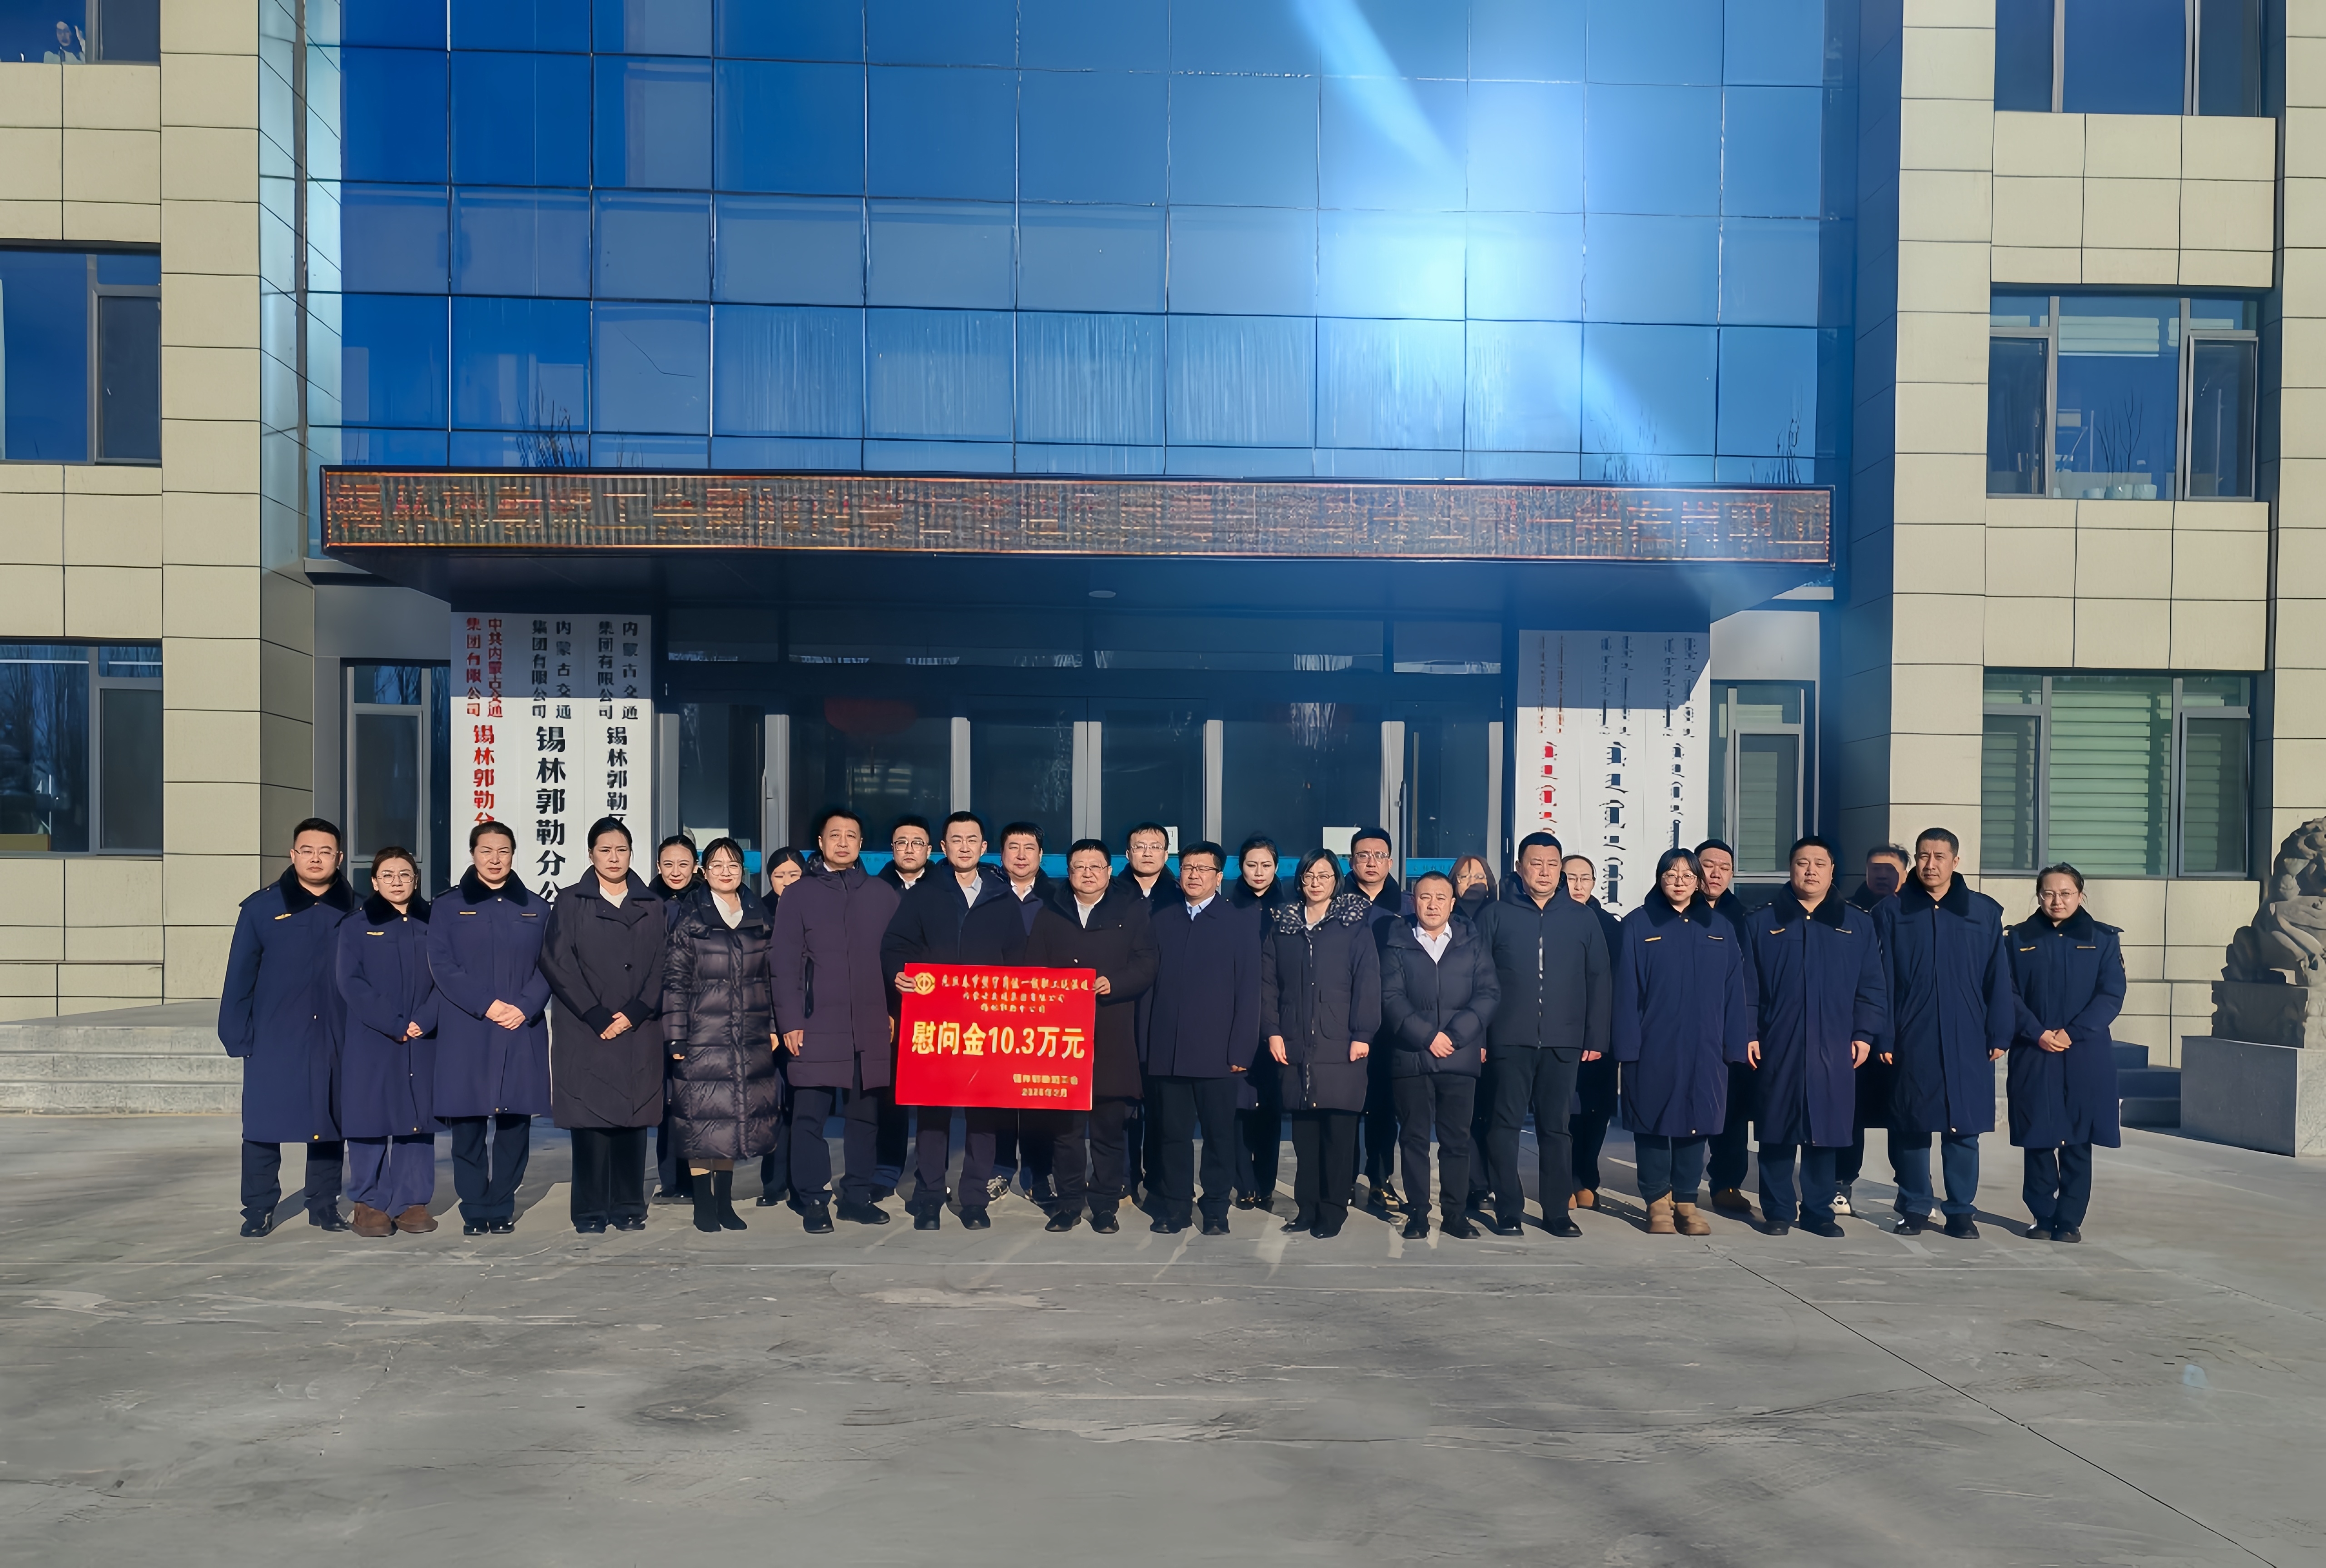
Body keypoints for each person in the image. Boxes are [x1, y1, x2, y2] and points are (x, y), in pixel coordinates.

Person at [881, 810, 1027, 1230]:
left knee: (984, 1113)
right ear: (943, 848)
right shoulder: (924, 894)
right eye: (956, 840)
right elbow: (895, 944)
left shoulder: (1003, 898)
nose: (965, 847)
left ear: (985, 847)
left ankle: (974, 1198)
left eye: (972, 840)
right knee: (933, 1112)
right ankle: (928, 1196)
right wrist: (899, 974)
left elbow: (1019, 959)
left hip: (986, 1023)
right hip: (936, 1020)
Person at [1873, 827, 2016, 1239]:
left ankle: (1961, 1211)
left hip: (1968, 1035)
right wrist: (1884, 1034)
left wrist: (1999, 1032)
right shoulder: (1892, 911)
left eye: (1939, 857)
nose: (1931, 864)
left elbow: (1998, 978)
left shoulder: (1982, 912)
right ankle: (1915, 1206)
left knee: (1963, 1128)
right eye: (1923, 856)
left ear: (1956, 861)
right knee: (1911, 1126)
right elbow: (1881, 980)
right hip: (1912, 1034)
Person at [219, 818, 358, 1235]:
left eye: (325, 852)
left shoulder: (358, 908)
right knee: (264, 1126)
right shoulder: (261, 909)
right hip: (275, 1036)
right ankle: (258, 1208)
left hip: (337, 1033)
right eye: (307, 851)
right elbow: (240, 976)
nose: (316, 859)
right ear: (293, 854)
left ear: (339, 858)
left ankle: (324, 1205)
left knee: (330, 1123)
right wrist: (237, 1035)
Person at [1746, 836, 1886, 1237]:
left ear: (1832, 870)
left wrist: (1864, 1033)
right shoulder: (1761, 922)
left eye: (1819, 864)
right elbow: (1747, 987)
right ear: (1791, 868)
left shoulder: (1857, 924)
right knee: (1776, 1127)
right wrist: (1749, 1033)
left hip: (1835, 1042)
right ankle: (1777, 1210)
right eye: (1802, 863)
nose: (1811, 871)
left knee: (1826, 1129)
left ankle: (1819, 1211)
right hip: (1779, 1041)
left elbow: (1871, 986)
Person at [1474, 832, 1612, 1237]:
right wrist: (1479, 1036)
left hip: (1563, 1039)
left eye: (1553, 865)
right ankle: (1508, 1209)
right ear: (1520, 868)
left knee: (1556, 1128)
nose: (1545, 872)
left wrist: (1595, 1037)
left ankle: (1556, 1212)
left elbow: (1599, 979)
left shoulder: (1582, 918)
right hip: (1508, 1037)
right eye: (1536, 864)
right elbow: (1476, 978)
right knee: (1504, 1125)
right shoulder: (1496, 915)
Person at [537, 818, 668, 1235]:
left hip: (638, 1026)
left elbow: (664, 964)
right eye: (605, 850)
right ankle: (590, 1210)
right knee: (591, 1122)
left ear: (632, 854)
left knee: (632, 1120)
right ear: (591, 854)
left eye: (622, 850)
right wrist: (595, 1014)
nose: (614, 858)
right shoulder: (571, 901)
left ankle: (629, 1205)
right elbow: (557, 962)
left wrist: (636, 1011)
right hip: (586, 1027)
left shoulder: (652, 904)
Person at [772, 810, 902, 1231]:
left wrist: (893, 1011)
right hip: (815, 1022)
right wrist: (790, 1020)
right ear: (821, 842)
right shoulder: (799, 894)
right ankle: (813, 1199)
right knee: (809, 1116)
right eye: (835, 835)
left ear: (861, 844)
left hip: (870, 1023)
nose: (843, 842)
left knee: (865, 1117)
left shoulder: (882, 894)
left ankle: (857, 1196)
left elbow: (896, 961)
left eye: (851, 836)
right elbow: (784, 962)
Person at [1612, 849, 1751, 1236]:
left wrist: (1734, 1045)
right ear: (1659, 879)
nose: (1679, 882)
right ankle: (1658, 1201)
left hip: (1707, 1046)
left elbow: (1734, 992)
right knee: (1653, 1122)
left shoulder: (1719, 927)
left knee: (1697, 1121)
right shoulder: (1639, 924)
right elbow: (1626, 991)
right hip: (1653, 1045)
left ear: (1697, 882)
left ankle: (1687, 1201)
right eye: (1671, 875)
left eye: (1687, 875)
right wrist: (1627, 1047)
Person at [1025, 838, 1160, 1232]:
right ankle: (1069, 1204)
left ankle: (1104, 1205)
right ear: (1068, 872)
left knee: (1108, 1129)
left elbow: (1147, 963)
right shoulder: (1050, 913)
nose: (1087, 874)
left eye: (1095, 867)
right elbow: (1034, 970)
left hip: (1112, 1033)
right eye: (1079, 867)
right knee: (1065, 1131)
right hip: (1062, 1038)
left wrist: (1114, 984)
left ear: (1109, 871)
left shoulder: (1131, 911)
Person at [428, 821, 552, 1237]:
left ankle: (501, 1205)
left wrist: (526, 1006)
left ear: (513, 855)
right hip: (469, 1028)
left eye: (503, 851)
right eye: (486, 851)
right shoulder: (448, 906)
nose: (495, 859)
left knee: (515, 1123)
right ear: (473, 854)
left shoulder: (536, 907)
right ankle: (474, 1206)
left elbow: (550, 964)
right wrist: (487, 1005)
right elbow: (442, 965)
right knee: (468, 1124)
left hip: (520, 1027)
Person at [1261, 849, 1382, 1239]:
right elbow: (1268, 984)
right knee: (1305, 1137)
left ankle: (1333, 1210)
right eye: (1309, 876)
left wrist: (1363, 1034)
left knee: (1338, 1135)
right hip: (1296, 1043)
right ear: (1300, 880)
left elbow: (1368, 982)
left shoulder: (1353, 925)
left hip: (1341, 1043)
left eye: (1324, 876)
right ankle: (1307, 1208)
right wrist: (1273, 1031)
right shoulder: (1284, 925)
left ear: (1336, 881)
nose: (1316, 883)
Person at [1144, 841, 1262, 1235]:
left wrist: (1242, 1049)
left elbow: (1249, 993)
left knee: (1219, 1136)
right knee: (1172, 1136)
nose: (1194, 875)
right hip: (1169, 1052)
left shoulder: (1238, 923)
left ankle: (1215, 1209)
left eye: (1203, 869)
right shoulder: (1162, 919)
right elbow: (1149, 988)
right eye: (1188, 868)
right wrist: (1149, 1046)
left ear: (1219, 876)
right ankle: (1176, 1207)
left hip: (1219, 1054)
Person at [662, 838, 779, 1234]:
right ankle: (703, 1204)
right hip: (702, 1035)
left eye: (733, 865)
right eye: (717, 865)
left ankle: (725, 1203)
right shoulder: (691, 918)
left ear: (743, 870)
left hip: (748, 1034)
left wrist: (774, 1026)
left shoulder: (758, 915)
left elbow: (771, 978)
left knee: (733, 1119)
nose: (725, 872)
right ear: (704, 871)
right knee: (702, 1120)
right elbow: (675, 981)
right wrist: (676, 1037)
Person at [2006, 865, 2124, 1243]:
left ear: (2080, 896)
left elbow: (2111, 995)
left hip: (2084, 1053)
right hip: (2034, 1050)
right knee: (2038, 1136)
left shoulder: (2102, 939)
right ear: (2039, 896)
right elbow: (2007, 993)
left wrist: (2072, 1033)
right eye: (2049, 893)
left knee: (2078, 1138)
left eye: (2066, 893)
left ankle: (2070, 1219)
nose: (2057, 901)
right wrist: (2037, 1032)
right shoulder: (2018, 939)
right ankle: (2042, 1215)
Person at [1377, 869, 1497, 1241]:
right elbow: (1390, 998)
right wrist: (1428, 1037)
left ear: (1452, 902)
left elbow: (1488, 994)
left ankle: (1455, 1214)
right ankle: (1418, 1213)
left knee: (1456, 1140)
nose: (1433, 905)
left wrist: (1455, 1037)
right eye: (1425, 897)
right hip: (1411, 1056)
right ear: (1414, 901)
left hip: (1459, 1057)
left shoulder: (1472, 942)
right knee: (1413, 1138)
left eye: (1441, 898)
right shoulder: (1396, 941)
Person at [335, 846, 439, 1238]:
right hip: (374, 1036)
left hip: (423, 1036)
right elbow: (351, 982)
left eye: (405, 875)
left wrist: (425, 1019)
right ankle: (369, 1202)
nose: (397, 882)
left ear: (416, 880)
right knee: (371, 1116)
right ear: (375, 882)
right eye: (388, 876)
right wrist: (393, 1023)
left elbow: (447, 975)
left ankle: (413, 1201)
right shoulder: (356, 925)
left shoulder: (434, 923)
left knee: (417, 1117)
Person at [989, 823, 1060, 1205]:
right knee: (998, 1095)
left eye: (1028, 847)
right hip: (994, 1012)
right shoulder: (986, 895)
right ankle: (1000, 1169)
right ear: (1001, 854)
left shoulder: (1058, 898)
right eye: (1013, 847)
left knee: (1037, 1096)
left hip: (1042, 1013)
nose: (1020, 855)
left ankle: (1038, 1174)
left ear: (1040, 855)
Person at [1838, 843, 1909, 1213]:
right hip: (1857, 1030)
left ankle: (1911, 1187)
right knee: (1850, 1111)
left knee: (1905, 1113)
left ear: (1905, 874)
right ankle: (1841, 1182)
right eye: (1875, 868)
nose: (1882, 875)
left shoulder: (1913, 912)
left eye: (1890, 869)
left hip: (1902, 1031)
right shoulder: (1846, 912)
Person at [1115, 821, 1183, 1202]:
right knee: (1123, 1097)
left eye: (1155, 846)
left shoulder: (1178, 893)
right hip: (1121, 1006)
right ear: (1128, 854)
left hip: (1165, 1007)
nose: (1147, 853)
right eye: (1139, 846)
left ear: (1166, 854)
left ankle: (1158, 1177)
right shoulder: (1112, 892)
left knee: (1162, 1100)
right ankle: (1125, 1174)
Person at [1695, 839, 1763, 1217]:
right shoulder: (1671, 910)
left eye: (1725, 867)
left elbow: (1752, 980)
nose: (1716, 874)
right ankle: (1675, 1182)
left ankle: (1727, 1183)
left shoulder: (1744, 919)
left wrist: (1749, 1031)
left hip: (1730, 1027)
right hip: (1685, 1027)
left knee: (1732, 1111)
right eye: (1709, 865)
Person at [1227, 834, 1292, 1211]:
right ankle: (1244, 1183)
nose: (1258, 872)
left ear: (1276, 868)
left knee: (1270, 1104)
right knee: (1237, 1104)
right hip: (1236, 1015)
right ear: (1241, 867)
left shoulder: (1289, 909)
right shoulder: (1227, 908)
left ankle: (1266, 1182)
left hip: (1277, 1017)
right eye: (1251, 865)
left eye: (1266, 865)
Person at [870, 816, 933, 1194]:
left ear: (930, 849)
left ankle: (930, 1175)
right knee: (890, 1091)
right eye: (902, 842)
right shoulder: (875, 889)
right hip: (889, 1003)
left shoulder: (944, 888)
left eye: (917, 842)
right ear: (891, 848)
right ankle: (887, 1169)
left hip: (937, 1006)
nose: (909, 849)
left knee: (933, 1093)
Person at [1346, 828, 1406, 1213]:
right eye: (1363, 855)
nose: (1371, 862)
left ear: (1390, 861)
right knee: (1346, 1104)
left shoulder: (1408, 906)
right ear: (1352, 861)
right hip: (1344, 1019)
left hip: (1391, 1021)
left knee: (1386, 1106)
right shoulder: (1335, 901)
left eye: (1379, 855)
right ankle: (1343, 1179)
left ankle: (1381, 1179)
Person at [1562, 854, 1623, 1209]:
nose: (1578, 885)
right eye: (1571, 877)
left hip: (1602, 1034)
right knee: (1564, 1110)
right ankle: (1566, 1178)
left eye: (1585, 878)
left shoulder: (1611, 927)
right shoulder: (1548, 921)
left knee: (1596, 1109)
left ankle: (1588, 1177)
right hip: (1560, 1032)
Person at [751, 845, 810, 1208]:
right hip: (768, 1027)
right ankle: (773, 1183)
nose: (787, 882)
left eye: (794, 875)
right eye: (779, 876)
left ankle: (803, 1183)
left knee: (802, 1107)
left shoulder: (817, 910)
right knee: (772, 1107)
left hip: (808, 1022)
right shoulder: (759, 914)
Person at [649, 835, 700, 1204]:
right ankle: (671, 1180)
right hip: (654, 1013)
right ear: (658, 866)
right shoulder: (646, 903)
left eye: (684, 864)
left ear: (696, 866)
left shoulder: (706, 903)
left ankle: (697, 1177)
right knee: (666, 1100)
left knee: (696, 1098)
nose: (676, 872)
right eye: (669, 864)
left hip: (698, 1014)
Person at [1452, 852, 1499, 1215]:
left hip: (1498, 1029)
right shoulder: (1447, 920)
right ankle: (1474, 1184)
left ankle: (1491, 1181)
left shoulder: (1500, 915)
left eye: (1480, 876)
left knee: (1492, 1112)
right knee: (1463, 1116)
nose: (1473, 882)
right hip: (1461, 1031)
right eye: (1465, 876)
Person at [1451, 855, 1496, 922]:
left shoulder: (1497, 916)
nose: (1472, 883)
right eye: (1464, 877)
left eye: (1479, 877)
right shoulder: (1445, 918)